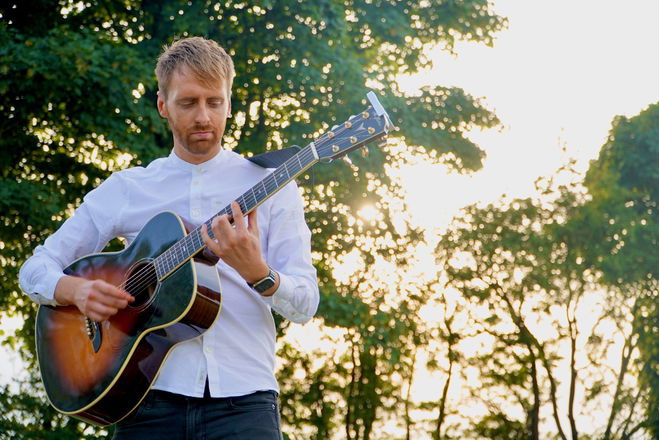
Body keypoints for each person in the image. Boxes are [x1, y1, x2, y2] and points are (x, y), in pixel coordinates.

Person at [19, 36, 319, 439]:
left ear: (230, 103)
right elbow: (34, 269)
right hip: (144, 401)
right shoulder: (128, 188)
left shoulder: (272, 184)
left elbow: (305, 304)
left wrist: (259, 274)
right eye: (188, 102)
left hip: (245, 401)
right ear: (163, 105)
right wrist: (76, 290)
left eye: (215, 102)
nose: (203, 117)